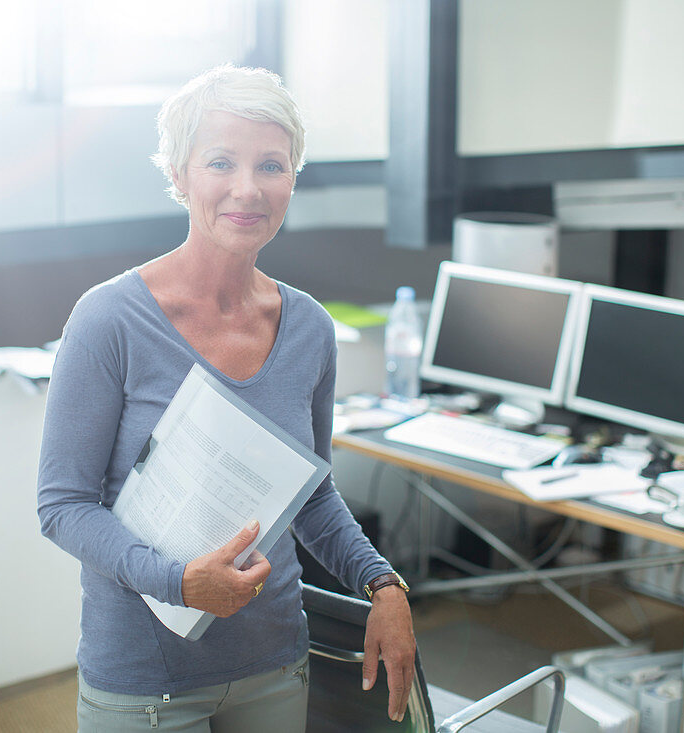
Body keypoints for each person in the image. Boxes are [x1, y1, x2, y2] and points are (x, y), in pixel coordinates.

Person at [37, 64, 416, 732]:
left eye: (271, 164)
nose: (248, 189)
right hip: (145, 680)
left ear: (293, 178)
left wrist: (383, 583)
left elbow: (313, 494)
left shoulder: (310, 329)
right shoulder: (108, 321)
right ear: (179, 175)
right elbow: (64, 505)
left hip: (272, 663)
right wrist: (179, 581)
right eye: (220, 162)